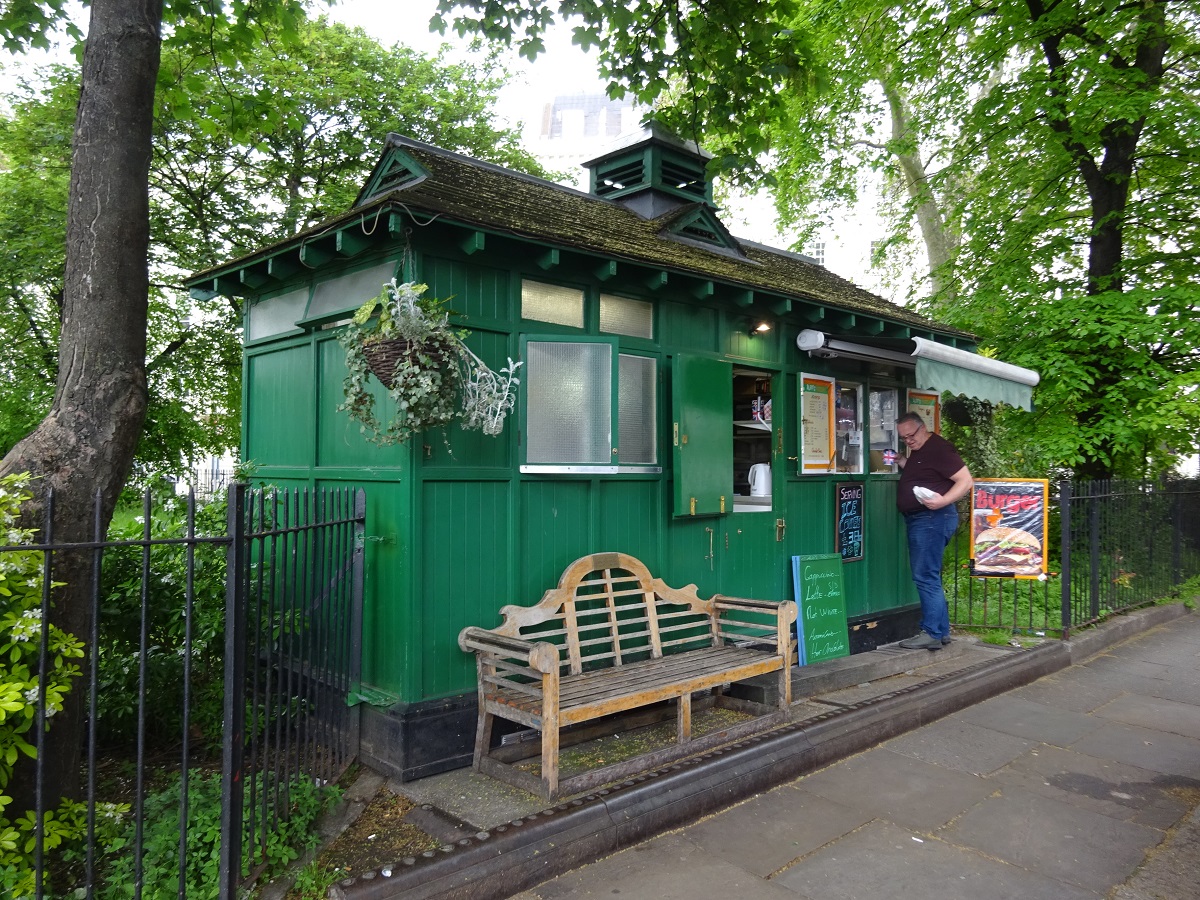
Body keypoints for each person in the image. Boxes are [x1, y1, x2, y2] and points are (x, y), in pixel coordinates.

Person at [894, 412, 973, 650]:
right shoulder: (921, 451)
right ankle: (943, 630)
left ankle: (931, 633)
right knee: (931, 575)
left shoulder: (939, 449)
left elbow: (966, 481)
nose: (908, 441)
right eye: (903, 438)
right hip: (926, 519)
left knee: (925, 577)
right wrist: (901, 461)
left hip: (931, 518)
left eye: (911, 435)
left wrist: (942, 501)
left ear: (923, 428)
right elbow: (924, 474)